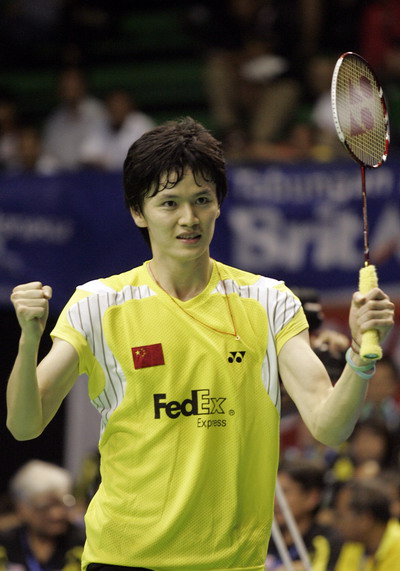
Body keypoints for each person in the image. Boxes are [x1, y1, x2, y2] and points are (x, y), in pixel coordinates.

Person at [7, 117, 394, 571]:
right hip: (123, 560)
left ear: (217, 206)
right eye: (168, 203)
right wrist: (29, 339)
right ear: (138, 211)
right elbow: (24, 424)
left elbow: (329, 425)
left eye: (201, 200)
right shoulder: (99, 304)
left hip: (232, 563)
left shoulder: (269, 301)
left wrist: (360, 357)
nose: (188, 218)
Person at [0, 460, 85, 571]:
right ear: (23, 508)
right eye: (45, 507)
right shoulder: (5, 545)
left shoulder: (83, 543)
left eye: (62, 504)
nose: (57, 514)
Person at [266, 459, 343, 570]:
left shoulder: (327, 542)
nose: (275, 500)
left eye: (285, 492)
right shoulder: (263, 537)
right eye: (273, 492)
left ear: (312, 497)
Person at [42, 67, 106, 171]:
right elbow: (49, 154)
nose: (69, 90)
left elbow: (100, 150)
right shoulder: (54, 119)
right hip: (63, 176)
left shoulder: (98, 112)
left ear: (82, 87)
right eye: (65, 86)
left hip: (93, 174)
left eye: (74, 85)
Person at [80, 88, 155, 171]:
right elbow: (86, 157)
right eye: (113, 105)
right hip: (105, 179)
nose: (116, 108)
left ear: (129, 106)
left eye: (120, 105)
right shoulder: (99, 124)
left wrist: (108, 162)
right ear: (107, 108)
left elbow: (148, 158)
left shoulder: (141, 124)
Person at [334, 477, 400, 570]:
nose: (337, 523)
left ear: (365, 520)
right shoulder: (354, 544)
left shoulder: (397, 548)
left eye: (341, 516)